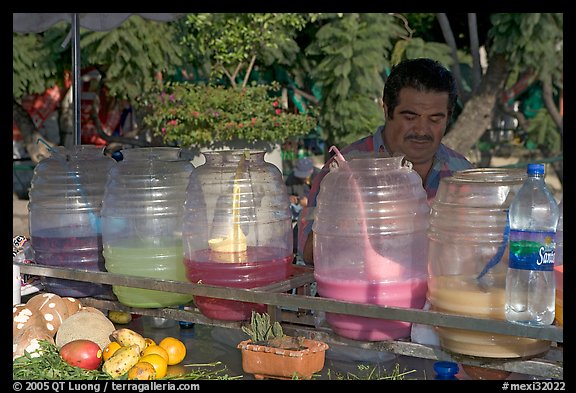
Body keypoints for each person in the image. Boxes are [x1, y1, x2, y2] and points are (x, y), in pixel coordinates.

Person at [298, 58, 475, 265]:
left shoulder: (462, 173)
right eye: (410, 117)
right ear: (387, 110)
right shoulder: (344, 168)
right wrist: (357, 213)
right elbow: (308, 251)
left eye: (435, 119)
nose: (421, 130)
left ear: (448, 117)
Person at [285, 157, 318, 254]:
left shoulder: (320, 176)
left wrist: (309, 203)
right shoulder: (292, 178)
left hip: (314, 212)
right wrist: (291, 198)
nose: (302, 178)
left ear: (311, 171)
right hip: (297, 211)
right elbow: (286, 194)